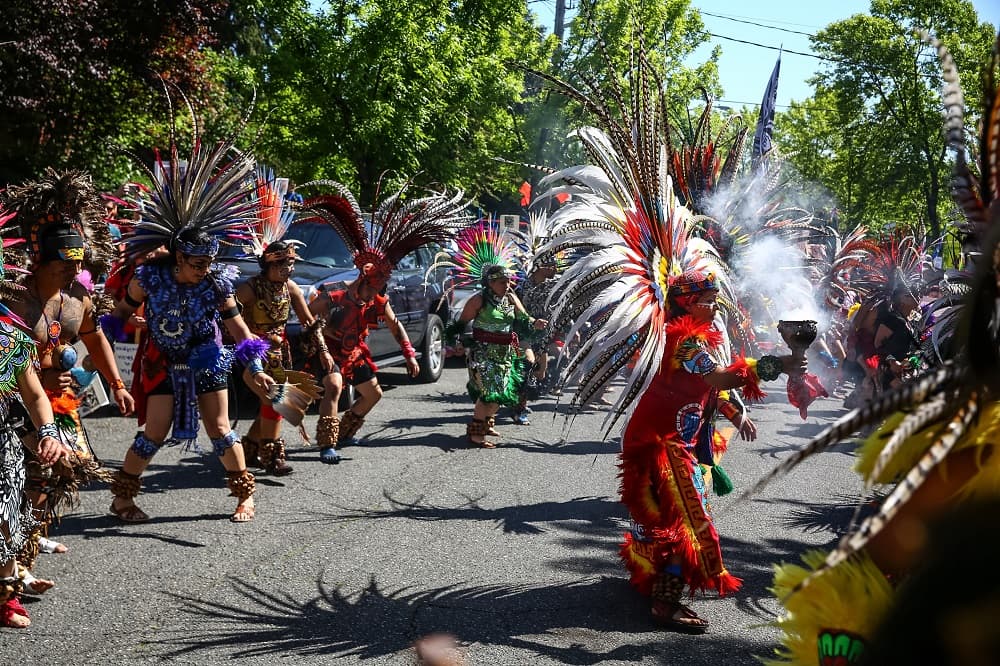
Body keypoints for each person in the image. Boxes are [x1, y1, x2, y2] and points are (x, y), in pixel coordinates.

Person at [100, 119, 272, 523]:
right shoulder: (149, 279)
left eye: (208, 262)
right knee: (153, 431)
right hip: (162, 359)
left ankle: (244, 495)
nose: (204, 269)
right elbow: (120, 314)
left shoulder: (216, 283)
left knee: (220, 429)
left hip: (207, 359)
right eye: (197, 263)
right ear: (179, 257)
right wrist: (114, 336)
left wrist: (257, 367)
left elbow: (239, 330)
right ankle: (122, 498)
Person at [1, 169, 133, 572]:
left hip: (56, 399)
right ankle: (16, 562)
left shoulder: (79, 298)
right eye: (62, 267)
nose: (71, 274)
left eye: (76, 267)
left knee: (61, 473)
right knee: (30, 476)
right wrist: (38, 378)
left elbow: (95, 340)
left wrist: (116, 383)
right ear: (40, 261)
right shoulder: (15, 299)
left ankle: (26, 546)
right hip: (17, 398)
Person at [302, 179, 469, 462]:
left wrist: (410, 356)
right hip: (330, 350)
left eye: (385, 279)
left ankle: (345, 432)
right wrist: (318, 334)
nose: (385, 283)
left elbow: (395, 325)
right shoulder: (337, 294)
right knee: (333, 387)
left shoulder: (378, 300)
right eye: (381, 278)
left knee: (374, 394)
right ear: (367, 277)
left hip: (354, 353)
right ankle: (326, 443)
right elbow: (309, 312)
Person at [237, 170, 327, 475]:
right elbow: (228, 316)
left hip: (281, 354)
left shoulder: (291, 289)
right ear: (269, 264)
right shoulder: (249, 288)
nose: (289, 269)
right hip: (255, 356)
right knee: (275, 399)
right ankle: (272, 457)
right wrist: (249, 338)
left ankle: (249, 448)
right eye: (284, 264)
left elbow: (310, 321)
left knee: (274, 401)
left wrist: (324, 351)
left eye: (291, 264)